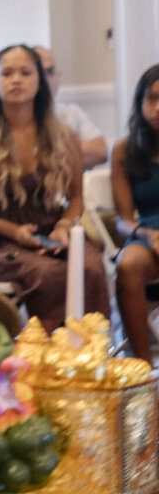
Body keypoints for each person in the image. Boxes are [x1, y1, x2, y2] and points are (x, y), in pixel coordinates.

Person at [0, 44, 110, 332]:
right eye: (7, 73)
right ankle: (48, 356)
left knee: (91, 267)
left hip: (53, 229)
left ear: (40, 81)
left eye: (26, 72)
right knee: (48, 274)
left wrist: (63, 226)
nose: (16, 80)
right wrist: (13, 232)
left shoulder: (63, 134)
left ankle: (90, 354)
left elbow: (76, 198)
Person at [111, 64, 159, 359]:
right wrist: (149, 234)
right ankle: (140, 368)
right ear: (140, 103)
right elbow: (122, 220)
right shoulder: (123, 150)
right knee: (127, 265)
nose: (157, 107)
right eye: (151, 98)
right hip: (146, 236)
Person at [33, 46, 108, 169]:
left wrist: (46, 153)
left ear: (58, 75)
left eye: (50, 71)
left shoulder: (72, 112)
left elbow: (101, 151)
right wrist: (75, 147)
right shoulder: (18, 120)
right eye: (40, 72)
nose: (46, 79)